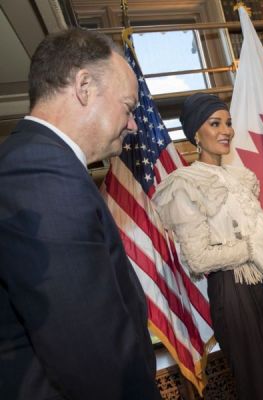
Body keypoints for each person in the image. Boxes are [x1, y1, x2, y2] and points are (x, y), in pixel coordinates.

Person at [0, 28, 161, 400]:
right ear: (84, 86)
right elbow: (92, 354)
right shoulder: (41, 173)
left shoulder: (39, 162)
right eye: (128, 107)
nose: (134, 124)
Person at [152, 93, 263, 400]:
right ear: (196, 132)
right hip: (234, 293)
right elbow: (198, 259)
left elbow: (259, 239)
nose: (227, 130)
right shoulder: (184, 184)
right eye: (215, 123)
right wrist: (261, 243)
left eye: (229, 123)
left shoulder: (243, 177)